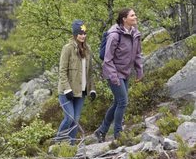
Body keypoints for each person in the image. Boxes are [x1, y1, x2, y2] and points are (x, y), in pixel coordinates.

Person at [94, 8, 143, 143]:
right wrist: (114, 77)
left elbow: (138, 54)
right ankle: (118, 134)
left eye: (135, 14)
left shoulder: (135, 33)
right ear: (124, 19)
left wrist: (139, 71)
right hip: (113, 73)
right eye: (132, 15)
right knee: (123, 102)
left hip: (126, 73)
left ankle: (101, 131)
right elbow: (107, 58)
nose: (135, 17)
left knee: (117, 102)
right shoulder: (114, 35)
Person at [55, 19, 96, 145]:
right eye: (80, 33)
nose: (83, 36)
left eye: (84, 33)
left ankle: (72, 145)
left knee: (76, 120)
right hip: (67, 91)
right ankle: (58, 143)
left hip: (81, 91)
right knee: (69, 118)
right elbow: (62, 71)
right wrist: (67, 89)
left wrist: (92, 89)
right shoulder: (67, 48)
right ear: (75, 34)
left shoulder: (88, 49)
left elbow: (89, 72)